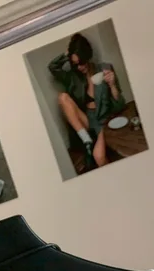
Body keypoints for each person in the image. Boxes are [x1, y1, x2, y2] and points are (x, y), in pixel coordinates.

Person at [48, 32, 126, 171]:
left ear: (88, 56)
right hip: (87, 121)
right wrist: (68, 53)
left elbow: (120, 105)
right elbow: (52, 67)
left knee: (98, 157)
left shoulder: (105, 69)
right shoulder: (73, 77)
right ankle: (87, 140)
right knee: (62, 97)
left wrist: (112, 85)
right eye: (75, 64)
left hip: (103, 122)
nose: (80, 67)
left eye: (82, 62)